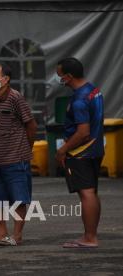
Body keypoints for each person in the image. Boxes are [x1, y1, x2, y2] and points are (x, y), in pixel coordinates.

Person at [0, 63, 37, 246]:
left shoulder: (15, 97)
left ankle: (17, 235)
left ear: (5, 79)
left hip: (15, 157)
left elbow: (31, 125)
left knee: (19, 196)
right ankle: (1, 232)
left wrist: (26, 148)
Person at [55, 58, 104, 249]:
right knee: (92, 192)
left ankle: (90, 237)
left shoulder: (79, 100)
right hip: (96, 149)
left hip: (81, 153)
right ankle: (90, 234)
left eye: (60, 75)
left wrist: (62, 150)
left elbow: (82, 132)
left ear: (68, 76)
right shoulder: (93, 90)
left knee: (86, 193)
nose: (59, 79)